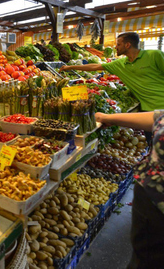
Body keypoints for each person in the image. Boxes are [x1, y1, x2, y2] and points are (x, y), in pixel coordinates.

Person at [95, 111, 164, 268]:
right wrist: (108, 117)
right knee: (143, 258)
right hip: (149, 201)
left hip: (159, 206)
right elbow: (158, 118)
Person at [60, 32, 164, 112]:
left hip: (161, 104)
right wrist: (68, 67)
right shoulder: (120, 63)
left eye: (118, 44)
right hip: (146, 109)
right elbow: (95, 66)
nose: (115, 47)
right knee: (154, 139)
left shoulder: (154, 55)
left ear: (127, 45)